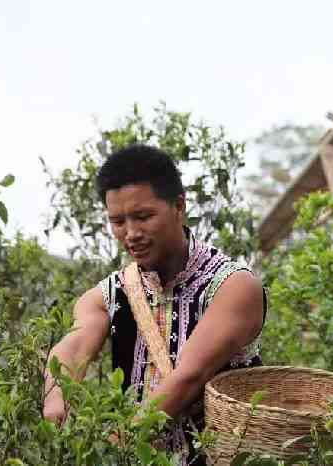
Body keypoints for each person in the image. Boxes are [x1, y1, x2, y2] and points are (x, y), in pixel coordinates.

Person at [42, 144, 266, 465]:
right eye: (118, 221)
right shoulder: (109, 295)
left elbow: (188, 376)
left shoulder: (233, 287)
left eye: (143, 216)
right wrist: (54, 400)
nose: (131, 233)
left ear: (178, 205)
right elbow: (74, 347)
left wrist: (114, 446)